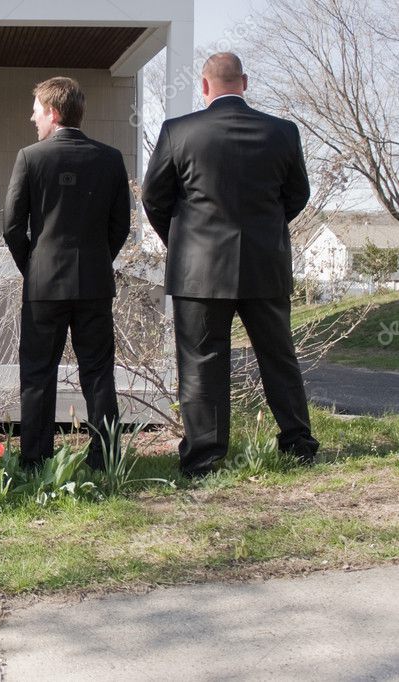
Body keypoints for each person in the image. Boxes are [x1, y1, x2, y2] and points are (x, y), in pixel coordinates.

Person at [142, 52, 319, 478]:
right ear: (244, 82)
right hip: (265, 266)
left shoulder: (178, 131)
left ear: (204, 87)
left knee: (202, 361)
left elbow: (154, 197)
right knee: (278, 356)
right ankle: (298, 445)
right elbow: (297, 195)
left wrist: (183, 242)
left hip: (198, 270)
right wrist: (266, 233)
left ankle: (204, 457)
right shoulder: (283, 132)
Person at [4, 76, 131, 468]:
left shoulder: (31, 157)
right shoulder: (110, 158)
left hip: (44, 286)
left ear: (54, 114)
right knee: (98, 372)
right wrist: (97, 260)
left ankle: (34, 459)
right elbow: (120, 225)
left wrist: (35, 266)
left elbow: (12, 226)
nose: (32, 118)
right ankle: (105, 457)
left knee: (38, 373)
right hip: (94, 283)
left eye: (37, 111)